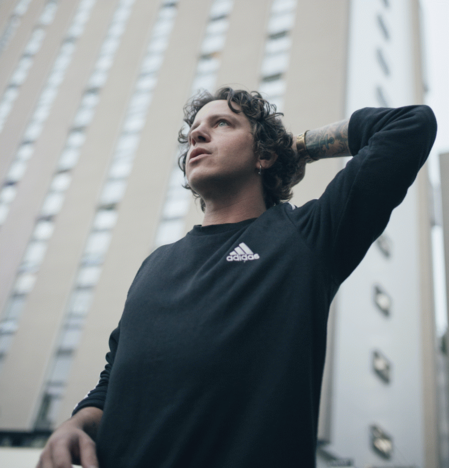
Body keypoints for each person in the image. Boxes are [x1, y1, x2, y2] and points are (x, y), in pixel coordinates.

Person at [37, 87, 437, 468]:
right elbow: (114, 380)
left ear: (263, 154)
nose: (197, 134)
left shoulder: (307, 239)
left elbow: (409, 125)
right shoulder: (155, 264)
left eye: (222, 123)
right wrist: (76, 424)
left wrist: (297, 146)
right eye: (194, 129)